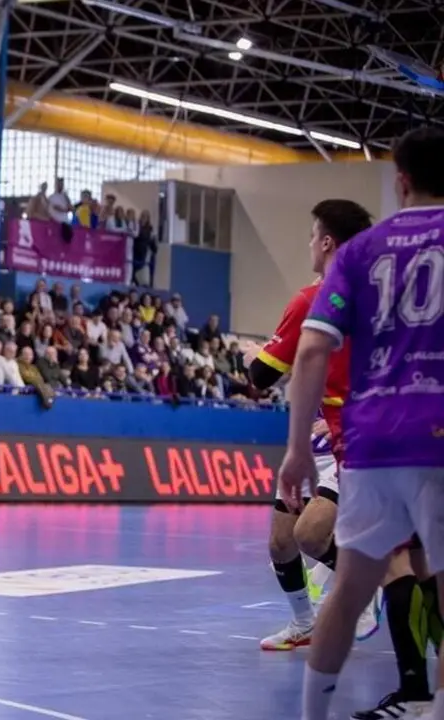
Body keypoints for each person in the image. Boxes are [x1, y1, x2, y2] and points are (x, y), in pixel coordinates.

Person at [279, 126, 444, 720]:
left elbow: (311, 353)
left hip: (373, 442)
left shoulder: (358, 252)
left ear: (401, 181)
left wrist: (298, 449)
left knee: (350, 590)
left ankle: (313, 715)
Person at [238, 200, 382, 652]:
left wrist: (249, 355)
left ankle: (369, 586)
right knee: (282, 541)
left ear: (326, 242)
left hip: (353, 436)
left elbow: (261, 376)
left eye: (311, 235)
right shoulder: (377, 294)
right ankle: (305, 622)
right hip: (320, 432)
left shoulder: (310, 300)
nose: (308, 244)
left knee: (309, 534)